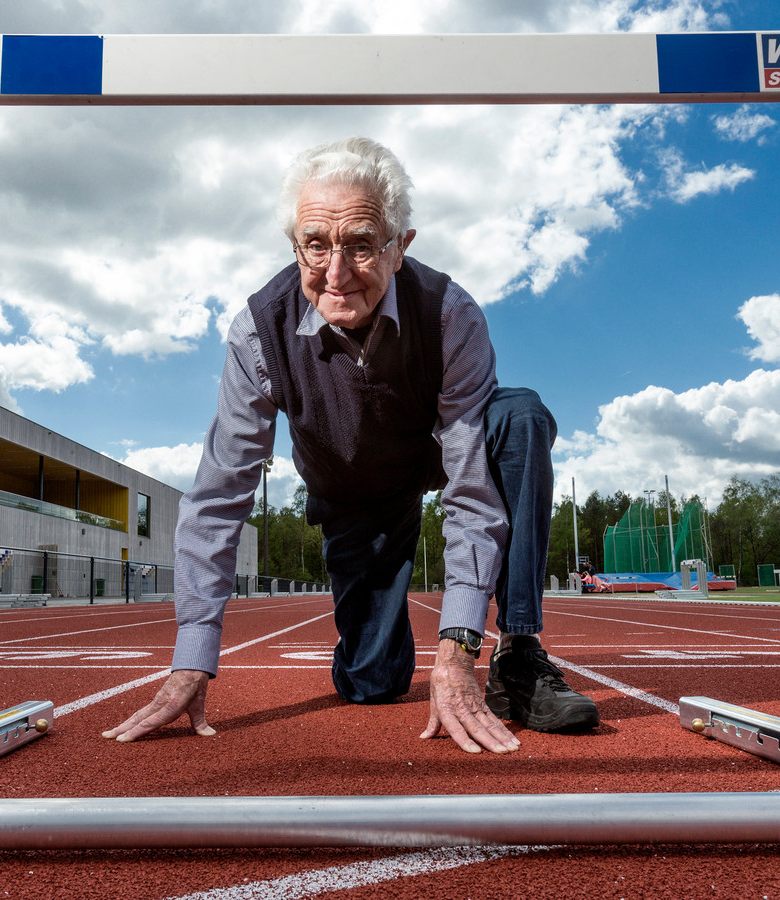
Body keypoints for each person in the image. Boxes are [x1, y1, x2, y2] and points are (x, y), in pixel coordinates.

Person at [103, 136, 598, 754]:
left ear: (400, 247)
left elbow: (470, 485)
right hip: (351, 489)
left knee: (519, 416)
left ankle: (521, 652)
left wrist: (459, 647)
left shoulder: (450, 315)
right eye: (316, 245)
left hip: (431, 457)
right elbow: (219, 494)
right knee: (371, 683)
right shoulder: (259, 330)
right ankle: (371, 640)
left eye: (361, 245)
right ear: (294, 245)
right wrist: (191, 658)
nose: (335, 274)